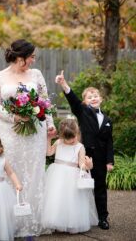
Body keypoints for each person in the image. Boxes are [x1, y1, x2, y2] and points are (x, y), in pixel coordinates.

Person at [0, 39, 56, 237]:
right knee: (11, 171)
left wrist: (50, 124)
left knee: (34, 172)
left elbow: (44, 101)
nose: (34, 60)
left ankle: (31, 222)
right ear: (20, 58)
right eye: (31, 57)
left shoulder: (36, 74)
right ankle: (10, 222)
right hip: (9, 133)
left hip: (35, 131)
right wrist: (14, 116)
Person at [55, 70, 114, 230]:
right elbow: (73, 101)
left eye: (95, 95)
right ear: (85, 102)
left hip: (101, 159)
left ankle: (103, 217)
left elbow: (109, 141)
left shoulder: (108, 119)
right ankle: (78, 216)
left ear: (101, 99)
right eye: (89, 97)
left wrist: (110, 161)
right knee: (80, 186)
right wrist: (64, 84)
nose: (93, 98)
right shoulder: (83, 111)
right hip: (84, 156)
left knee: (100, 187)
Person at [42, 118, 98, 234]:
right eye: (67, 138)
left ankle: (71, 222)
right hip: (57, 175)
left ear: (77, 133)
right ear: (61, 136)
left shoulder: (80, 146)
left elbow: (82, 164)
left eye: (73, 137)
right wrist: (48, 139)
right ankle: (57, 221)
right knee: (57, 198)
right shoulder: (58, 142)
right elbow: (48, 153)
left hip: (72, 176)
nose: (71, 140)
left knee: (71, 199)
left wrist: (89, 165)